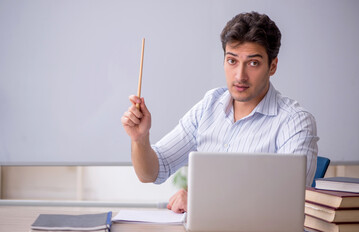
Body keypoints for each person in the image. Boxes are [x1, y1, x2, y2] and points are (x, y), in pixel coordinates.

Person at [121, 11, 319, 214]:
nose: (240, 76)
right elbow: (152, 172)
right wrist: (140, 139)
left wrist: (201, 201)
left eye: (253, 63)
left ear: (272, 66)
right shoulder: (209, 105)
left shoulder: (295, 122)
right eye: (232, 61)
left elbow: (287, 202)